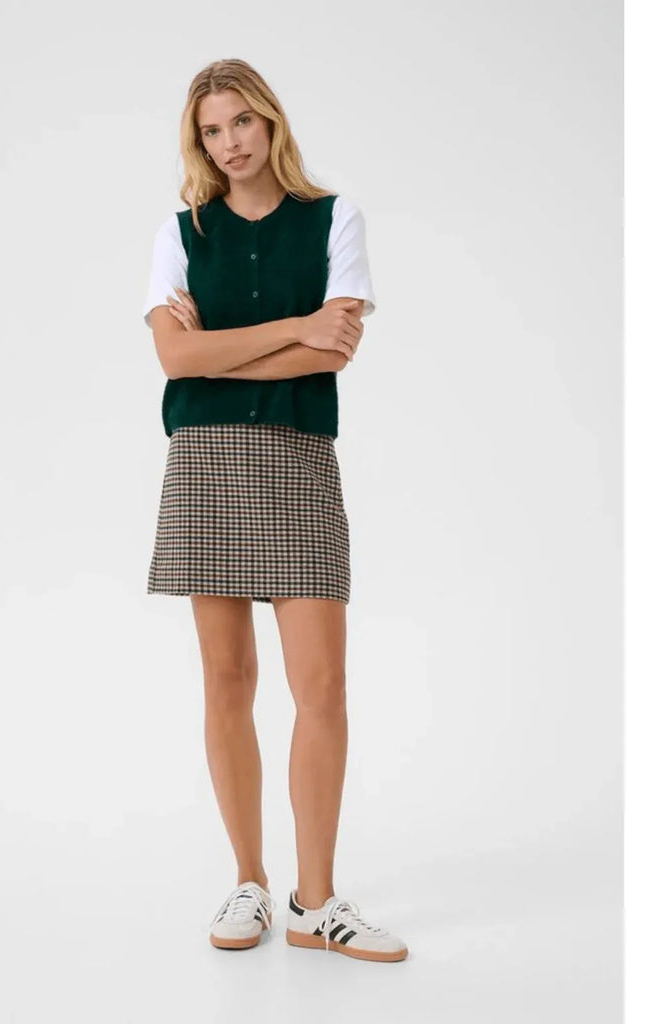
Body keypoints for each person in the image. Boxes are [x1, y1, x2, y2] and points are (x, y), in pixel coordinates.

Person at [141, 58, 408, 963]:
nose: (231, 143)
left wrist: (220, 347)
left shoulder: (335, 218)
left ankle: (315, 901)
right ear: (200, 141)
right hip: (206, 463)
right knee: (227, 681)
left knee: (321, 686)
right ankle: (249, 881)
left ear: (271, 120)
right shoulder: (180, 234)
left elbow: (334, 354)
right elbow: (175, 362)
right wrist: (295, 325)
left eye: (242, 121)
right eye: (212, 130)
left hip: (297, 457)